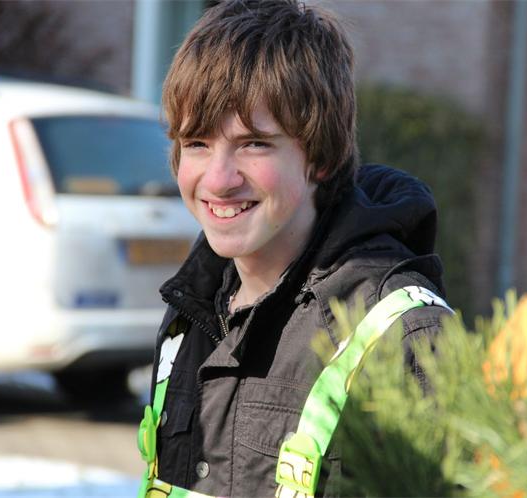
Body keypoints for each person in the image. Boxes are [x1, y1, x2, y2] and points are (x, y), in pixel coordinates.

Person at [139, 1, 452, 496]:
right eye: (197, 143)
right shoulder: (191, 312)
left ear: (320, 156)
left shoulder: (404, 337)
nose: (218, 180)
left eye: (254, 144)